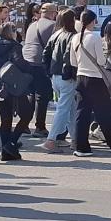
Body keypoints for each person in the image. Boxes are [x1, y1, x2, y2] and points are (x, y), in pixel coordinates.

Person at [70, 10, 111, 157]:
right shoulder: (94, 37)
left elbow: (73, 61)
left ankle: (81, 147)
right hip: (95, 79)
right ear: (93, 21)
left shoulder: (75, 38)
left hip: (80, 77)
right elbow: (101, 60)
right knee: (105, 112)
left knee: (82, 113)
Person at [0, 23, 36, 161]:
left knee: (5, 120)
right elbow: (20, 63)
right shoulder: (15, 47)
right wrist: (31, 69)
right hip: (14, 88)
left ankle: (5, 152)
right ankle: (11, 143)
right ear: (12, 33)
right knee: (27, 115)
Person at [38, 9, 78, 153]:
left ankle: (75, 139)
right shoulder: (73, 36)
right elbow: (70, 58)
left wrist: (49, 73)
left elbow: (45, 55)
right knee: (64, 109)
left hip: (55, 76)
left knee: (71, 107)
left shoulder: (55, 34)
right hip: (67, 76)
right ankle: (51, 139)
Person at [23, 2, 57, 137]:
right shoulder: (52, 25)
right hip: (39, 63)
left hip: (27, 61)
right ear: (52, 13)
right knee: (42, 96)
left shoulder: (32, 25)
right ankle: (40, 127)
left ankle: (24, 124)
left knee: (31, 94)